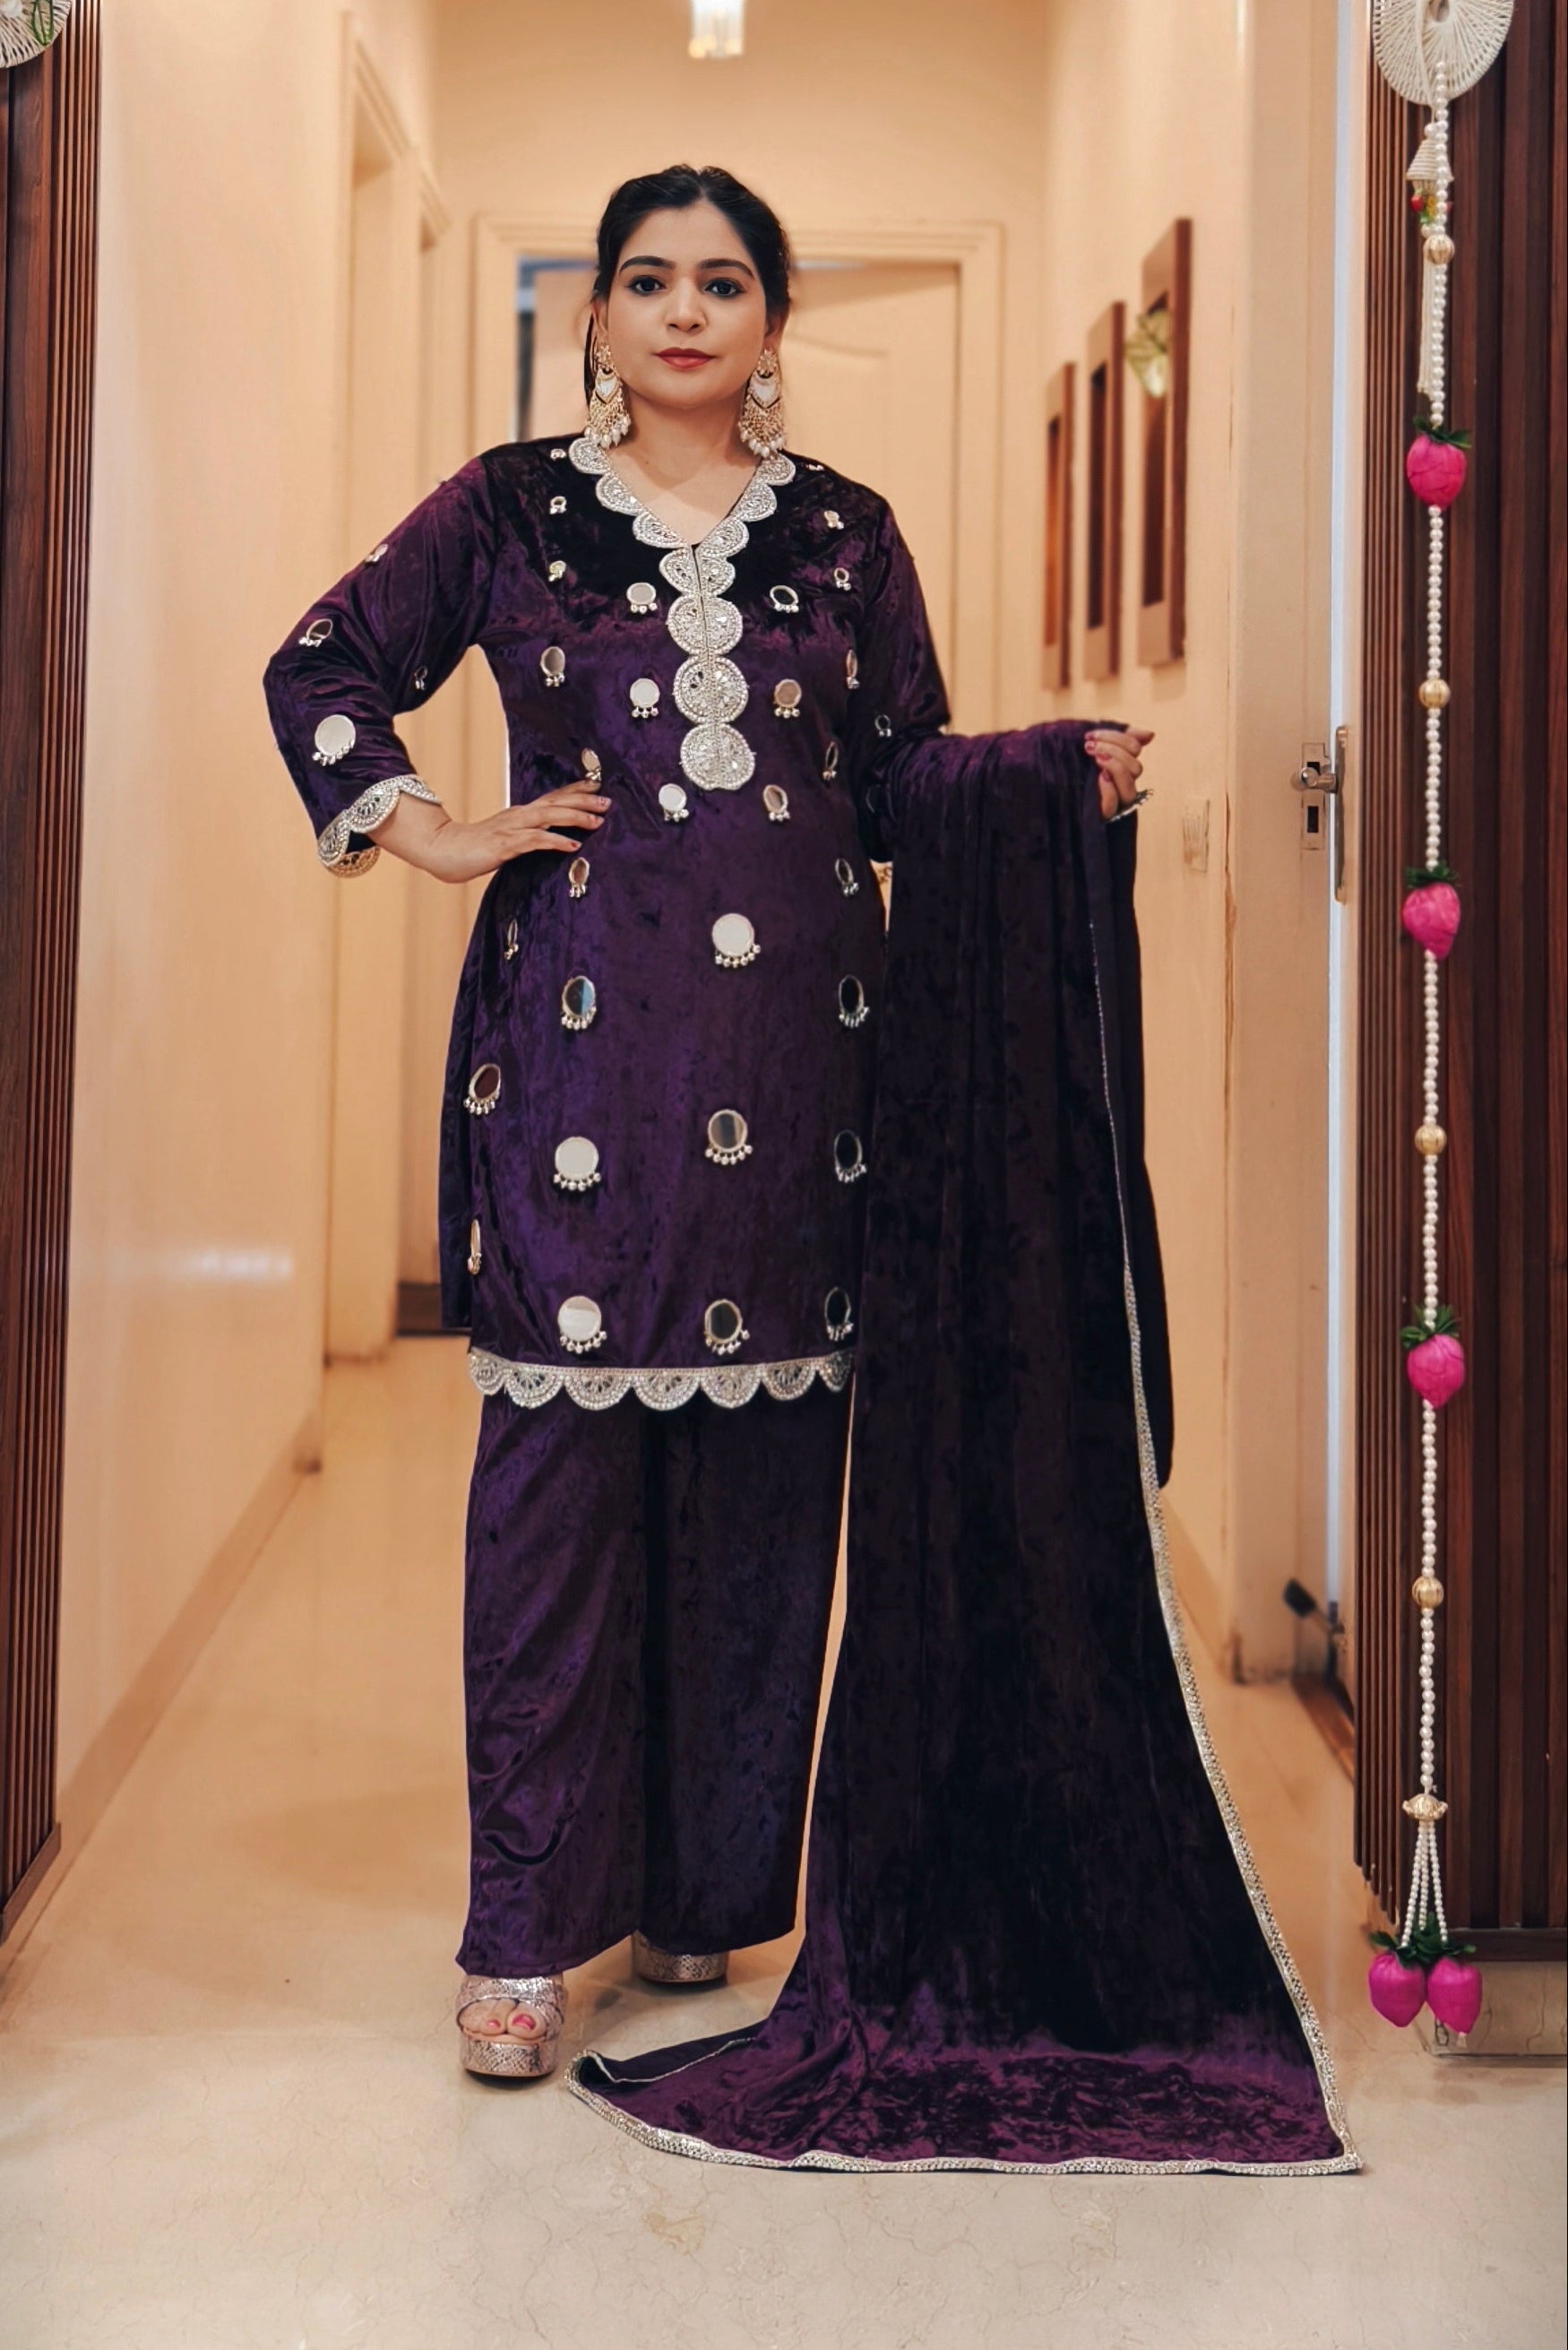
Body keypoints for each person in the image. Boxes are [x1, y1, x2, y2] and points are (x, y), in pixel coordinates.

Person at [263, 165, 1150, 2085]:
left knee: (762, 1497)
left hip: (804, 1073)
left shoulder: (844, 533)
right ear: (595, 315)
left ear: (770, 320)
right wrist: (435, 831)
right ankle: (520, 1932)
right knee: (554, 1499)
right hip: (579, 1063)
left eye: (723, 281)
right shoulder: (508, 507)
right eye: (648, 279)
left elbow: (897, 776)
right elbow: (320, 663)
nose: (683, 310)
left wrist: (1036, 774)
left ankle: (699, 1891)